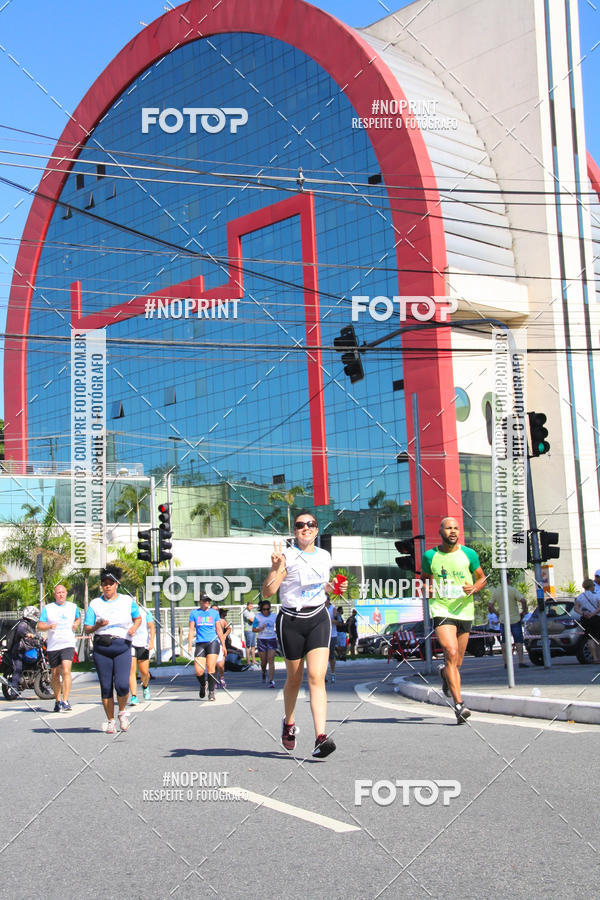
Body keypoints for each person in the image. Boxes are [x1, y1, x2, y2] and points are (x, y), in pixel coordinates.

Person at [263, 510, 347, 758]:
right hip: (291, 621)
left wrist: (333, 587)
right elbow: (269, 592)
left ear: (317, 529)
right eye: (300, 525)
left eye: (311, 524)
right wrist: (275, 568)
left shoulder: (324, 556)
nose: (306, 528)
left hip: (318, 618)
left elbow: (323, 585)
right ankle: (288, 723)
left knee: (316, 677)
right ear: (295, 530)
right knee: (294, 679)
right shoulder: (286, 556)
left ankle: (321, 736)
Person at [421, 516, 486, 724]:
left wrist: (475, 587)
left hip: (464, 610)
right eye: (449, 528)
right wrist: (427, 588)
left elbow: (481, 577)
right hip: (441, 609)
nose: (453, 531)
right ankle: (459, 705)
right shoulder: (430, 556)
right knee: (450, 651)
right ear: (440, 532)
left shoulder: (469, 554)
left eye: (456, 528)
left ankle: (445, 675)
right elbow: (423, 580)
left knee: (456, 662)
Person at [84, 565, 141, 733]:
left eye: (111, 583)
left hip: (122, 645)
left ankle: (122, 713)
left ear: (117, 584)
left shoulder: (127, 601)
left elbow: (137, 619)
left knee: (123, 685)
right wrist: (97, 625)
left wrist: (133, 628)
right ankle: (110, 721)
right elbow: (87, 628)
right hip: (102, 647)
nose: (107, 586)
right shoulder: (95, 604)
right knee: (106, 687)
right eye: (104, 583)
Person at [37, 584, 81, 711]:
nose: (61, 594)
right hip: (53, 645)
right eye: (58, 593)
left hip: (68, 643)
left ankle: (66, 700)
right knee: (55, 674)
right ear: (54, 595)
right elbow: (40, 626)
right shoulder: (48, 608)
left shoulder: (73, 607)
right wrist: (49, 627)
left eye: (63, 592)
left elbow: (78, 619)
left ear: (66, 593)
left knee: (66, 670)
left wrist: (75, 624)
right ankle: (58, 700)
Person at [188, 593, 226, 701]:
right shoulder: (194, 613)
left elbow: (219, 630)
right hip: (200, 643)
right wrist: (190, 645)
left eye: (209, 601)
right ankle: (202, 684)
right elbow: (191, 630)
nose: (207, 603)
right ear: (200, 601)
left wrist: (223, 645)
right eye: (205, 601)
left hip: (213, 643)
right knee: (198, 671)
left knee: (210, 668)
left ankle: (211, 692)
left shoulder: (214, 613)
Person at [490, 579, 529, 668]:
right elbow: (523, 600)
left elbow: (490, 605)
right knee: (518, 640)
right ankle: (521, 661)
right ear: (508, 580)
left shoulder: (496, 591)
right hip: (515, 619)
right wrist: (524, 611)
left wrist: (497, 613)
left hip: (503, 620)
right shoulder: (512, 590)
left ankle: (506, 663)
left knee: (504, 641)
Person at [8, 606, 40, 698]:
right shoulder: (23, 624)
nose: (36, 616)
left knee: (37, 665)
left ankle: (42, 687)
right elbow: (20, 631)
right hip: (19, 650)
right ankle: (13, 690)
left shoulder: (31, 625)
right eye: (34, 614)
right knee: (18, 669)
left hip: (28, 651)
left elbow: (36, 635)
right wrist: (27, 634)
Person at [129, 602, 155, 705]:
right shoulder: (124, 611)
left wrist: (151, 641)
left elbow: (152, 627)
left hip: (143, 644)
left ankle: (145, 685)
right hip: (130, 643)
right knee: (131, 670)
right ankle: (134, 696)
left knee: (144, 672)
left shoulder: (144, 611)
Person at [252, 599, 278, 688]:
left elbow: (279, 625)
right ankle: (263, 671)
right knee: (264, 661)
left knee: (271, 659)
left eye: (267, 609)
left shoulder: (274, 616)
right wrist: (260, 629)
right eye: (264, 609)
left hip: (271, 639)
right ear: (261, 609)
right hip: (261, 639)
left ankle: (271, 680)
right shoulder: (258, 617)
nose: (266, 611)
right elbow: (253, 629)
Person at [574, 578, 600, 663]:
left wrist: (583, 613)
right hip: (596, 618)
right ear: (591, 586)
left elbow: (576, 608)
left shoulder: (580, 597)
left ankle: (595, 658)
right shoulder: (596, 595)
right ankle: (598, 656)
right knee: (598, 638)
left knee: (589, 638)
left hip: (585, 619)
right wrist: (593, 613)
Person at [324, 596, 339, 684]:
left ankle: (333, 673)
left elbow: (338, 622)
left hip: (332, 635)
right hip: (323, 635)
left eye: (325, 600)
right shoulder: (320, 608)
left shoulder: (333, 609)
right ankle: (324, 674)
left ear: (328, 601)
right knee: (323, 656)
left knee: (331, 656)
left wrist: (330, 620)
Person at [216, 608, 232, 688]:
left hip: (221, 643)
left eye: (216, 610)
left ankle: (222, 678)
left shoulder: (222, 621)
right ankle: (214, 680)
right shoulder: (208, 621)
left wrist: (224, 635)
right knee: (213, 664)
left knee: (221, 664)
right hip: (211, 644)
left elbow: (229, 629)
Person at [243, 601, 257, 667]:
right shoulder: (246, 612)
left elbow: (256, 620)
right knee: (248, 646)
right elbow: (252, 620)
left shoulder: (252, 612)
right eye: (250, 606)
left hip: (253, 630)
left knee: (253, 646)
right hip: (248, 630)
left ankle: (254, 660)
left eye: (252, 606)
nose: (251, 607)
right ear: (247, 606)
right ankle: (248, 661)